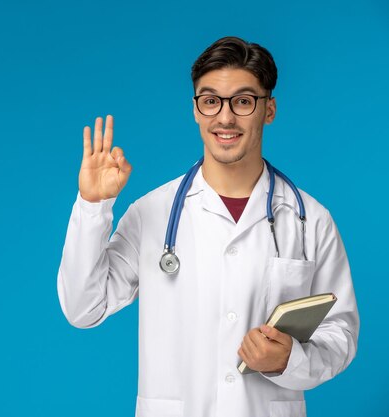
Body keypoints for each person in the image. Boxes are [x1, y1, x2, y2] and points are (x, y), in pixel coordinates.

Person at [56, 36, 359, 417]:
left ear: (269, 110)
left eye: (244, 101)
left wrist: (289, 360)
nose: (226, 117)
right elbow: (84, 308)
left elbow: (341, 333)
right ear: (196, 110)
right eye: (211, 100)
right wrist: (93, 206)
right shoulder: (153, 212)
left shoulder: (310, 219)